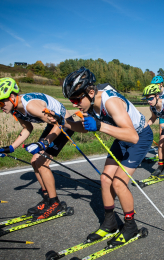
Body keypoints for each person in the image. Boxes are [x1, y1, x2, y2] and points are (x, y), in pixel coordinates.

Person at [48, 67, 153, 247]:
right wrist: (63, 122)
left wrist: (100, 126)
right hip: (121, 136)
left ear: (90, 92)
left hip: (139, 137)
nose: (74, 104)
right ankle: (110, 222)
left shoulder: (110, 102)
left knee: (118, 182)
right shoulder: (89, 103)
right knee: (105, 179)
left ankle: (130, 226)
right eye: (70, 100)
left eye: (75, 98)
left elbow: (133, 137)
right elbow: (84, 127)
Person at [0, 77, 74, 219]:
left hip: (65, 124)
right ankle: (47, 199)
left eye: (1, 102)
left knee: (41, 162)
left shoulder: (30, 106)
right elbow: (27, 128)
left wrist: (43, 143)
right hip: (53, 124)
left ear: (12, 97)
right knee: (35, 161)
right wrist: (10, 148)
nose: (1, 106)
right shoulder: (15, 109)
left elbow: (58, 123)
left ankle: (55, 204)